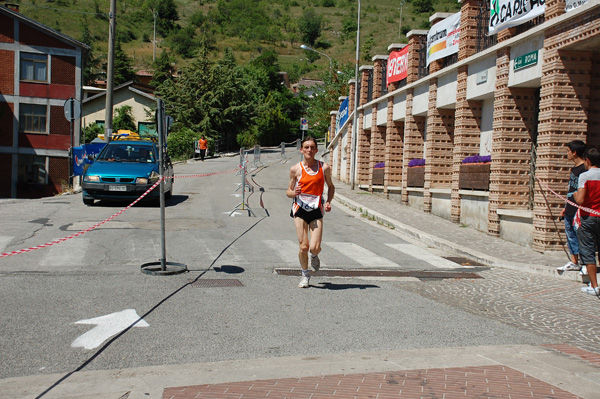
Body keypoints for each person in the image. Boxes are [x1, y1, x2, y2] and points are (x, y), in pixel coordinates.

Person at [287, 137, 335, 288]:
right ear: (301, 150)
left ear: (316, 150)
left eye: (312, 147)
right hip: (299, 209)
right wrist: (294, 192)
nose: (309, 150)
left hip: (316, 210)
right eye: (306, 147)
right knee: (303, 246)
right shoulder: (295, 169)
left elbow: (331, 186)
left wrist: (328, 202)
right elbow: (288, 192)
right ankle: (305, 275)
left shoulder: (324, 168)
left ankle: (314, 255)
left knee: (314, 247)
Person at [573, 147, 600, 296]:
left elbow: (581, 200)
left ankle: (594, 286)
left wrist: (576, 194)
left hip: (588, 217)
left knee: (588, 251)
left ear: (587, 161)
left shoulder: (585, 176)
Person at [557, 140, 586, 273]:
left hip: (579, 209)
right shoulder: (574, 169)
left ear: (574, 152)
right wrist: (566, 206)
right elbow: (571, 189)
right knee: (570, 235)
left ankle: (585, 263)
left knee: (581, 235)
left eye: (568, 151)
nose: (567, 154)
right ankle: (574, 261)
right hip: (570, 207)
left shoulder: (584, 169)